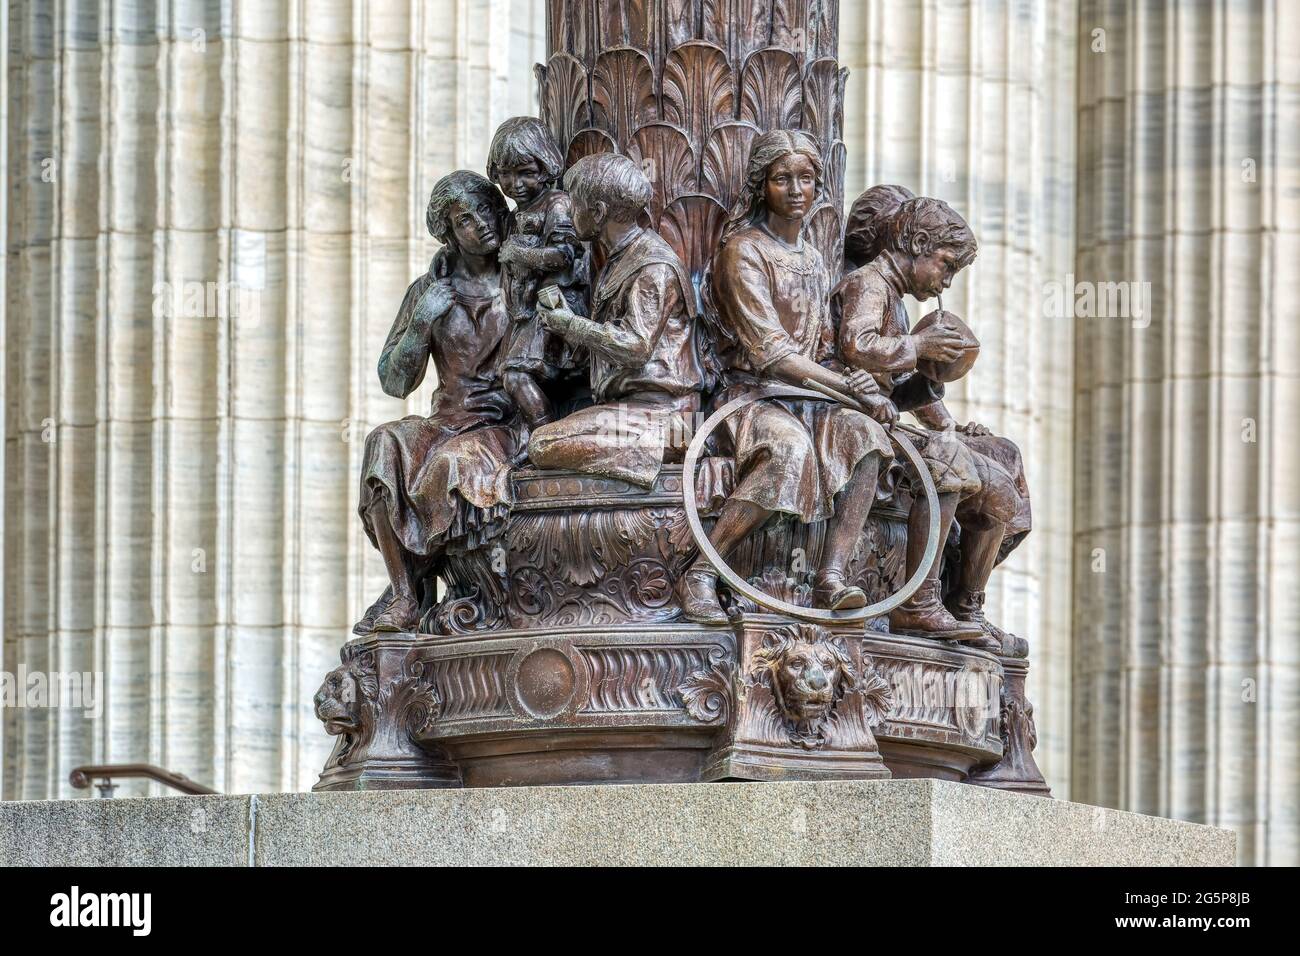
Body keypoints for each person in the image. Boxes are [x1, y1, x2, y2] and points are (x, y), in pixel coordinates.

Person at [674, 129, 898, 624]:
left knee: (866, 435)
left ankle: (831, 578)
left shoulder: (814, 261)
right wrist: (845, 387)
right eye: (782, 179)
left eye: (807, 179)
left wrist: (862, 388)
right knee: (788, 449)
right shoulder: (743, 252)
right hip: (751, 396)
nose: (797, 190)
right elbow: (770, 353)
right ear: (761, 187)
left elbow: (821, 348)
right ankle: (703, 570)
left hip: (809, 396)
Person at [834, 191, 1032, 647]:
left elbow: (899, 385)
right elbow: (857, 346)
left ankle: (967, 602)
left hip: (885, 415)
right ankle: (916, 603)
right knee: (951, 463)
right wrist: (920, 349)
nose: (945, 283)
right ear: (918, 242)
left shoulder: (899, 303)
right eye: (945, 265)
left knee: (1002, 484)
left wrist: (944, 412)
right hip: (850, 416)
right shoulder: (869, 284)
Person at [354, 170, 518, 634]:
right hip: (447, 418)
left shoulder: (521, 277)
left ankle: (428, 574)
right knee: (384, 444)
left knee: (453, 464)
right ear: (448, 233)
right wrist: (421, 323)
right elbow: (393, 380)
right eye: (465, 219)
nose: (481, 224)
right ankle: (406, 593)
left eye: (486, 210)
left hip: (501, 424)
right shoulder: (428, 294)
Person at [529, 153, 704, 487]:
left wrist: (570, 324)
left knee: (543, 444)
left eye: (574, 204)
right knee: (546, 441)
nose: (569, 212)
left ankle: (648, 464)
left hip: (667, 419)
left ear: (597, 212)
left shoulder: (652, 266)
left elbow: (635, 346)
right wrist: (562, 325)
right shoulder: (618, 259)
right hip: (630, 413)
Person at [487, 116, 588, 449]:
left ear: (546, 168)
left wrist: (522, 255)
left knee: (516, 375)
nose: (514, 183)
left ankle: (546, 438)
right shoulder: (516, 214)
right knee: (509, 376)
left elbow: (566, 254)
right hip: (524, 311)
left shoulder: (557, 204)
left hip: (552, 308)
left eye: (525, 173)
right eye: (505, 173)